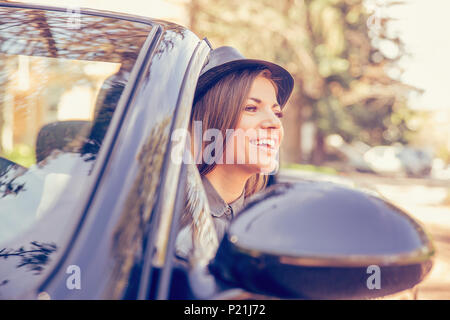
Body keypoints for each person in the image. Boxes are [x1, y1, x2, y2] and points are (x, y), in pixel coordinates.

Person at [190, 46, 294, 242]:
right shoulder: (173, 224)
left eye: (277, 112)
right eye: (251, 108)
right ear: (212, 121)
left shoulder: (265, 222)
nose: (274, 122)